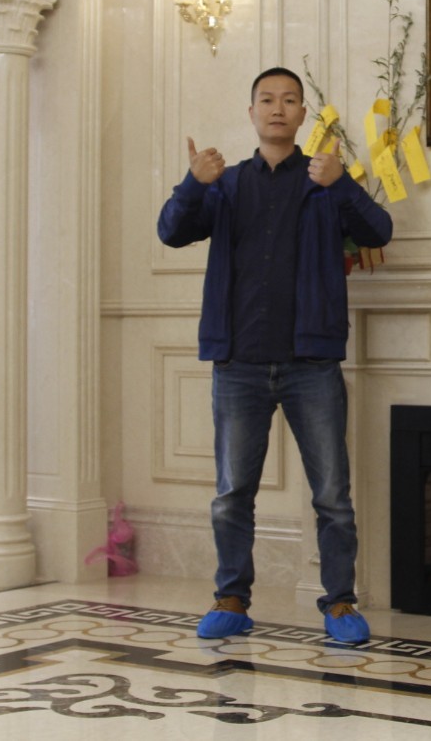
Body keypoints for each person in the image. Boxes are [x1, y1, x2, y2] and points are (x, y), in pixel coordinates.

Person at [157, 67, 393, 644]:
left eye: (289, 100)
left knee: (332, 496)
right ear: (252, 112)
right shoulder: (226, 183)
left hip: (311, 364)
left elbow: (378, 231)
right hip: (238, 363)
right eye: (267, 99)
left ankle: (340, 603)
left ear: (303, 114)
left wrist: (343, 182)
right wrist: (192, 183)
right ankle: (232, 599)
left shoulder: (323, 179)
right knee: (232, 493)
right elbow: (171, 232)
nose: (278, 108)